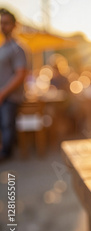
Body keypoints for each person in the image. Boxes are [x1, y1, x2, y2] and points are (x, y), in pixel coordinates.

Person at [0, 8, 28, 161]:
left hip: (10, 98)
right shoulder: (2, 48)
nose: (2, 26)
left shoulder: (17, 49)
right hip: (3, 97)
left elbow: (21, 74)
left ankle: (6, 155)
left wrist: (3, 93)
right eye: (0, 23)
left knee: (7, 125)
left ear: (14, 25)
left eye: (6, 23)